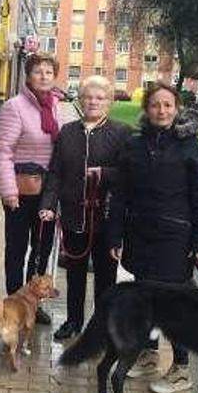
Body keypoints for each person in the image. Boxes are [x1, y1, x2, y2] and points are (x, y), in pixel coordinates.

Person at [107, 81, 198, 393]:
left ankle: (181, 367)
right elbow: (121, 194)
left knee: (173, 304)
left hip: (175, 238)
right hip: (141, 234)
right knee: (146, 299)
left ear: (177, 108)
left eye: (168, 105)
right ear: (146, 109)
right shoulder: (135, 145)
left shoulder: (191, 147)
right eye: (155, 105)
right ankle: (148, 353)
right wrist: (116, 234)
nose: (162, 110)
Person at [39, 75, 130, 340]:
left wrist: (104, 173)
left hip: (106, 216)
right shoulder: (68, 132)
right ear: (80, 99)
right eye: (88, 97)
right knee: (75, 274)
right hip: (73, 215)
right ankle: (73, 321)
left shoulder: (122, 133)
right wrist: (49, 205)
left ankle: (101, 328)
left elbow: (128, 174)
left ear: (109, 103)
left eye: (100, 98)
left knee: (105, 277)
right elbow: (56, 172)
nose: (93, 102)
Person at [0, 52, 63, 325]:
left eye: (48, 71)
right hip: (20, 192)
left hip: (47, 191)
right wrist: (8, 191)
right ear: (28, 75)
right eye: (38, 71)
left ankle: (34, 302)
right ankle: (13, 301)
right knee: (17, 249)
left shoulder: (56, 106)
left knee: (42, 249)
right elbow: (2, 152)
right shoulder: (14, 107)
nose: (44, 76)